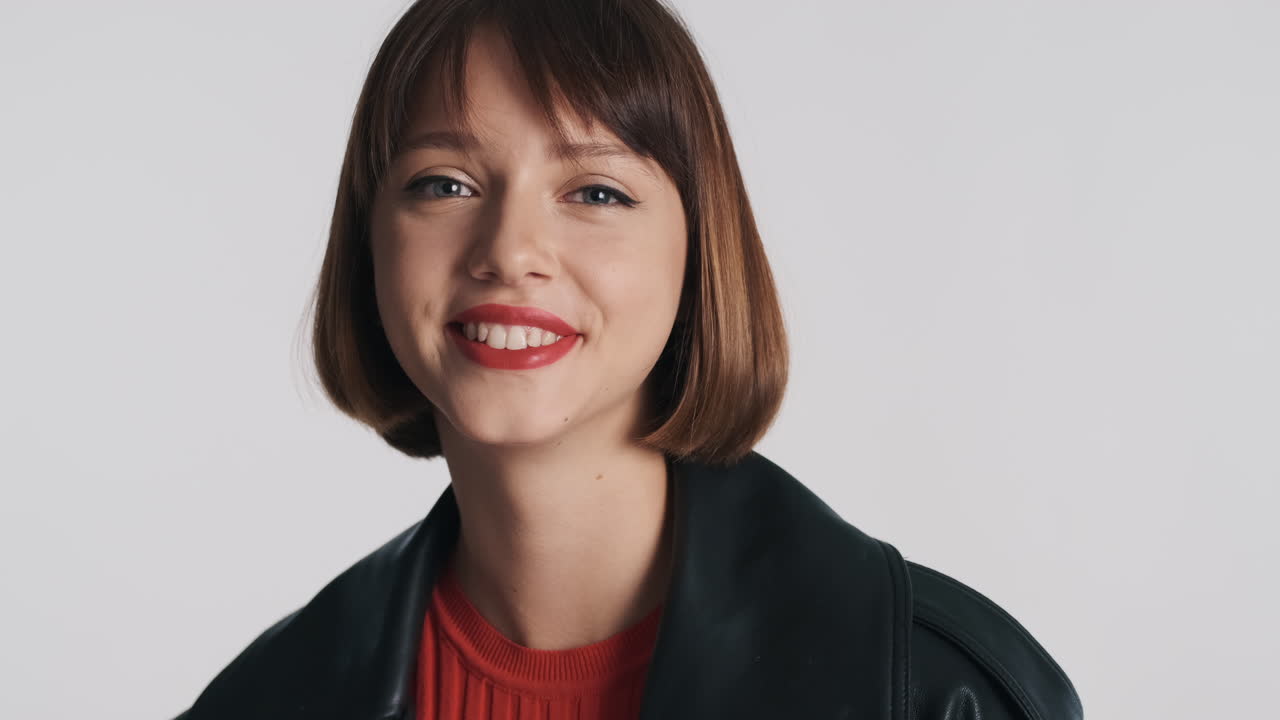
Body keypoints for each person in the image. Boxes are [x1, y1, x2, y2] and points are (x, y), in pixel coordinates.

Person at [175, 1, 1082, 718]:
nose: (510, 249)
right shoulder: (264, 698)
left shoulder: (936, 692)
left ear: (698, 254)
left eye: (596, 190)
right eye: (443, 183)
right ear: (368, 240)